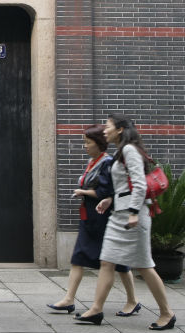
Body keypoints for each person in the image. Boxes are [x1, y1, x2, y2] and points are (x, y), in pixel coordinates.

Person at [74, 114, 176, 330]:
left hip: (132, 216)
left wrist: (133, 212)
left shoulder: (129, 150)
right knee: (106, 262)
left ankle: (167, 313)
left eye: (108, 126)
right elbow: (125, 186)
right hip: (119, 214)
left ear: (120, 129)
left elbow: (139, 184)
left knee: (144, 266)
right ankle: (96, 310)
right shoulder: (121, 152)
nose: (104, 130)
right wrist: (109, 200)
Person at [47, 125, 139, 315]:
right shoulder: (93, 161)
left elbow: (105, 192)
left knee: (118, 262)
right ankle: (69, 299)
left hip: (102, 217)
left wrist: (83, 192)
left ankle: (132, 300)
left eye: (88, 142)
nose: (85, 146)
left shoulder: (106, 163)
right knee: (78, 257)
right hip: (89, 216)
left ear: (99, 143)